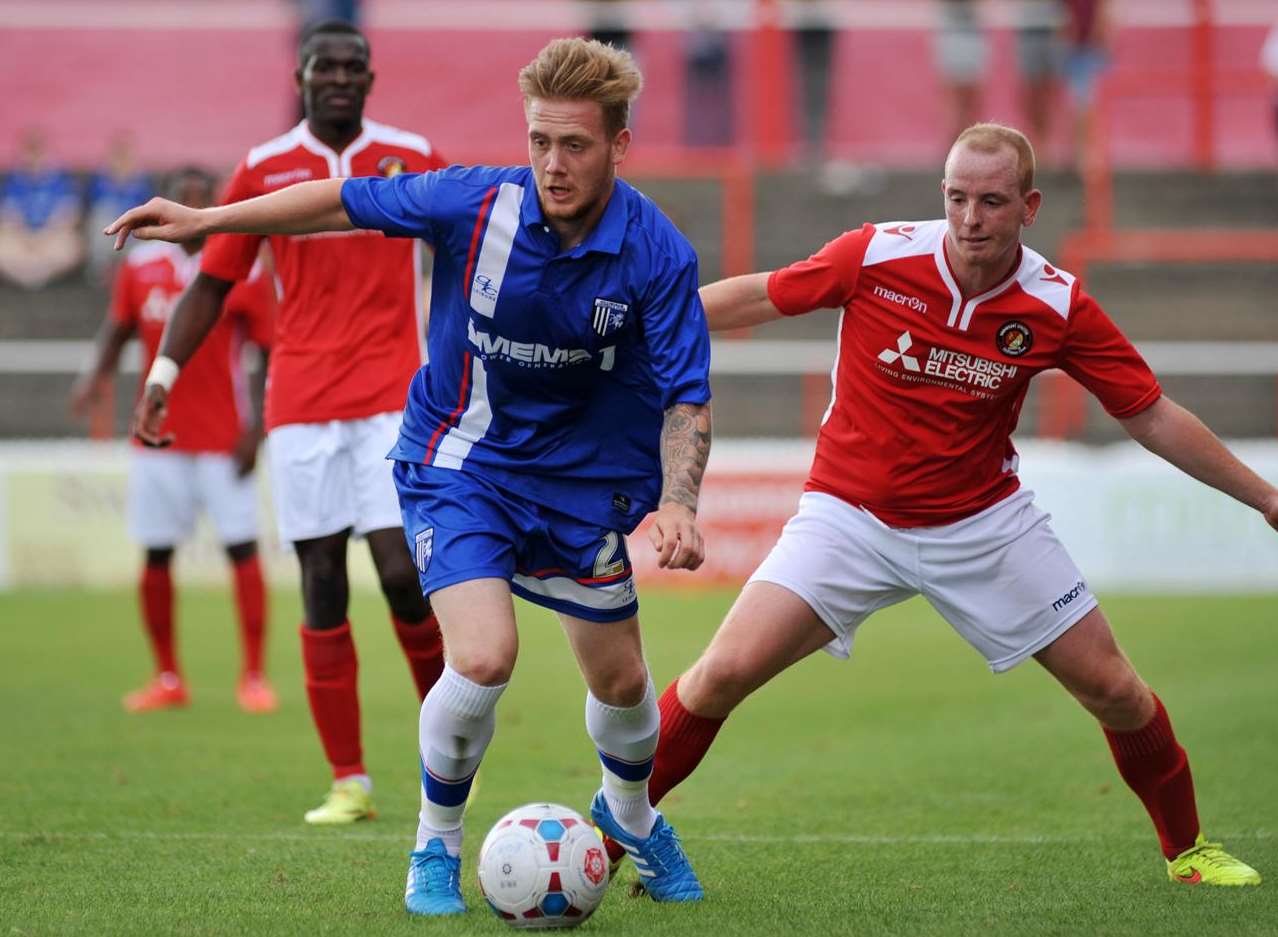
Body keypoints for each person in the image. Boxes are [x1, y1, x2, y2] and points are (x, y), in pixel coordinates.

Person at [107, 37, 713, 914]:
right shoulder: (476, 200)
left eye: (575, 145)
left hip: (581, 487)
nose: (552, 162)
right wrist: (211, 223)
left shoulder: (658, 253)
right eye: (539, 140)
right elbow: (339, 203)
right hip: (460, 463)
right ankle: (435, 842)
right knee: (482, 655)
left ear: (619, 145)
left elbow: (686, 400)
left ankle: (629, 814)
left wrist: (683, 504)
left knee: (622, 683)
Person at [606, 123, 1274, 887]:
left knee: (1115, 688)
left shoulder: (1056, 303)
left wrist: (1263, 496)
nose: (969, 219)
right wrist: (645, 330)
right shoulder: (877, 254)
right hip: (848, 518)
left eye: (991, 202)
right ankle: (613, 834)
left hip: (983, 527)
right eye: (957, 198)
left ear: (1029, 206)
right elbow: (764, 295)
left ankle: (1189, 850)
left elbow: (1149, 413)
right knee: (719, 673)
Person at [105, 20, 451, 826]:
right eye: (323, 66)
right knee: (322, 583)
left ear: (370, 78)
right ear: (299, 77)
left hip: (393, 399)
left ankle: (451, 746)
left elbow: (470, 241)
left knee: (402, 571)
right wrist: (161, 374)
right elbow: (212, 286)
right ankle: (350, 779)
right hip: (299, 406)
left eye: (352, 66)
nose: (338, 77)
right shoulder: (263, 167)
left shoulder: (412, 153)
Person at [72, 167, 277, 713]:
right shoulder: (140, 265)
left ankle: (253, 676)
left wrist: (257, 427)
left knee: (241, 549)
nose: (190, 207)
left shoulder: (243, 270)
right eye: (181, 197)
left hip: (222, 438)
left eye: (199, 197)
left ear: (213, 203)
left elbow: (267, 353)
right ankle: (167, 677)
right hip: (158, 438)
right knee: (157, 554)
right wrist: (95, 376)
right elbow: (117, 329)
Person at [0, 128, 83, 289]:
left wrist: (45, 236)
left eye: (38, 152)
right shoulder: (13, 182)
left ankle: (33, 275)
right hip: (21, 238)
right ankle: (34, 275)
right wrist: (26, 237)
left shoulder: (62, 179)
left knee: (69, 246)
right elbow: (8, 217)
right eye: (30, 152)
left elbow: (69, 215)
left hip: (52, 236)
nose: (34, 158)